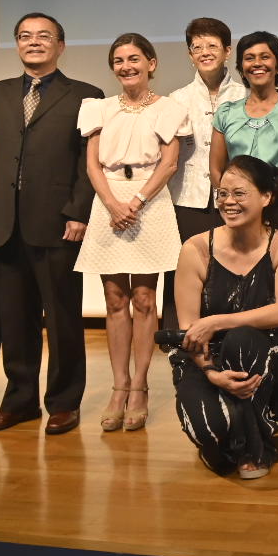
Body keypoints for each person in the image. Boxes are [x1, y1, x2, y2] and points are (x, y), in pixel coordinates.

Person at [0, 12, 103, 436]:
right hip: (3, 225)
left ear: (61, 46)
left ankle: (63, 402)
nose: (34, 42)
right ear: (17, 45)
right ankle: (19, 400)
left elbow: (87, 163)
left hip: (58, 224)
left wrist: (79, 211)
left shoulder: (86, 95)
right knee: (14, 319)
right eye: (25, 36)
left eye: (44, 36)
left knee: (62, 319)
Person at [74, 34, 184, 432]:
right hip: (108, 201)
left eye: (134, 59)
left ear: (151, 63)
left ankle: (140, 387)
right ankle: (118, 388)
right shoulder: (98, 108)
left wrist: (135, 203)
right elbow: (91, 166)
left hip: (149, 202)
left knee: (144, 298)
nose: (126, 66)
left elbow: (169, 163)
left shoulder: (169, 109)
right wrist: (112, 204)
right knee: (114, 297)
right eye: (118, 60)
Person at [170, 155, 278, 478]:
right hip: (206, 358)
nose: (228, 202)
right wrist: (212, 373)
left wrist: (216, 322)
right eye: (222, 194)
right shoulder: (195, 249)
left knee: (242, 340)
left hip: (265, 355)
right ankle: (229, 437)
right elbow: (190, 331)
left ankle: (254, 447)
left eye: (239, 193)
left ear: (266, 197)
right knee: (208, 430)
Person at [164, 17, 245, 321]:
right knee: (185, 274)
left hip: (235, 201)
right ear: (190, 55)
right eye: (197, 47)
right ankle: (181, 349)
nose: (205, 52)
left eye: (212, 45)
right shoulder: (177, 99)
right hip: (188, 198)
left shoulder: (244, 96)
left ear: (227, 50)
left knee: (231, 273)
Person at [211, 31, 278, 239]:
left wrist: (269, 198)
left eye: (265, 57)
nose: (257, 63)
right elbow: (215, 168)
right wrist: (234, 198)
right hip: (237, 208)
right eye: (249, 58)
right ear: (241, 68)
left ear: (277, 65)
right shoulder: (226, 111)